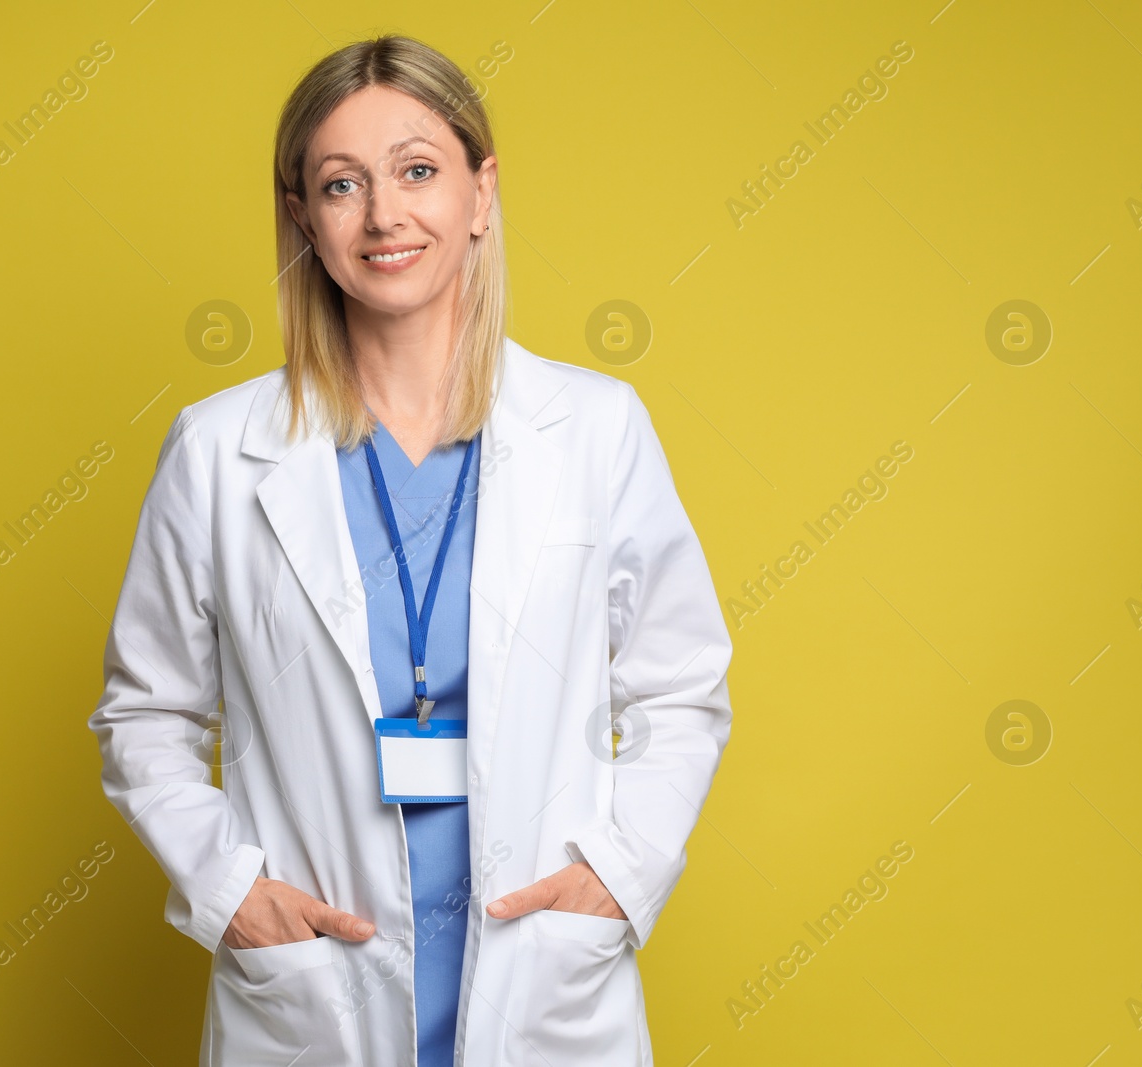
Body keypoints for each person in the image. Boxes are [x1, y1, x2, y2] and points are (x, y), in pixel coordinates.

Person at [87, 34, 733, 1067]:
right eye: (341, 185)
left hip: (541, 968)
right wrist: (229, 893)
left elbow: (680, 685)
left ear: (481, 193)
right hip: (313, 983)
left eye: (418, 171)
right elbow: (147, 710)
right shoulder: (218, 451)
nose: (384, 215)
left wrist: (621, 872)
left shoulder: (596, 428)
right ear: (302, 217)